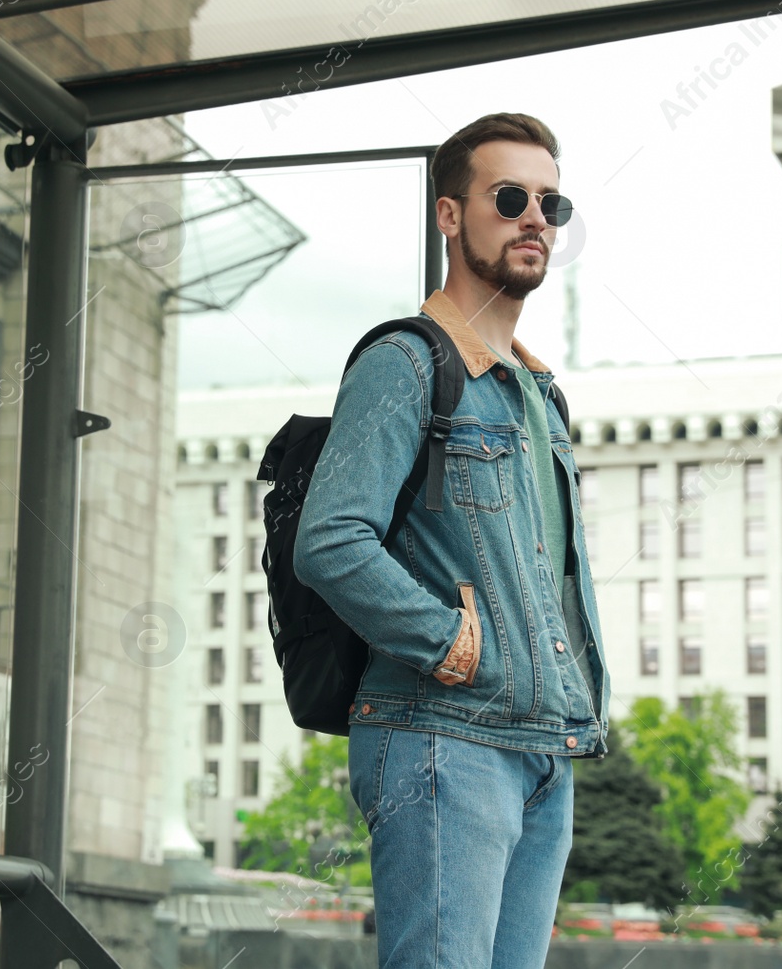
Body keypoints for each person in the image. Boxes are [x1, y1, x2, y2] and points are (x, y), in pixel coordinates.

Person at [294, 112, 611, 968]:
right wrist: (451, 644)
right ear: (448, 215)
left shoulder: (540, 397)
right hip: (442, 735)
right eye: (509, 198)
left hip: (544, 747)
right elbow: (330, 539)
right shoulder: (407, 363)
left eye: (553, 203)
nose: (534, 219)